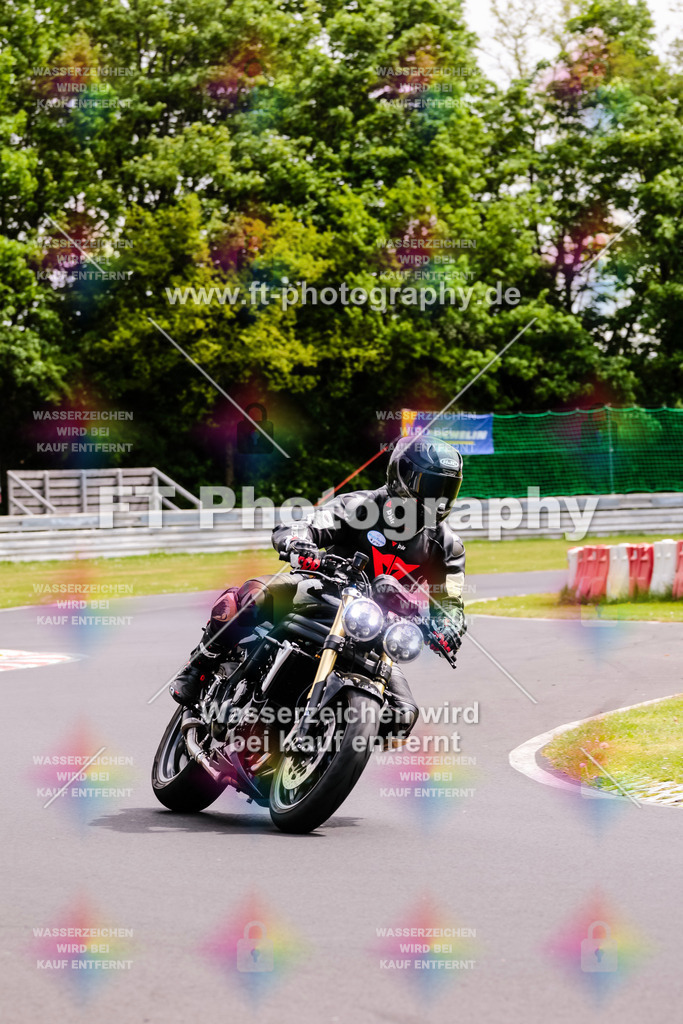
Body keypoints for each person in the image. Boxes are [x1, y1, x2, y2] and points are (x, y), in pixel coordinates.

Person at [170, 433, 468, 740]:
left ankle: (326, 748)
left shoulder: (448, 547)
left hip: (376, 628)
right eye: (430, 487)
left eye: (446, 490)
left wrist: (448, 626)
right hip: (322, 590)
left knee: (402, 715)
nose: (437, 499)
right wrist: (299, 542)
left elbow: (452, 601)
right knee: (250, 598)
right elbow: (308, 525)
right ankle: (198, 664)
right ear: (401, 476)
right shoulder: (359, 506)